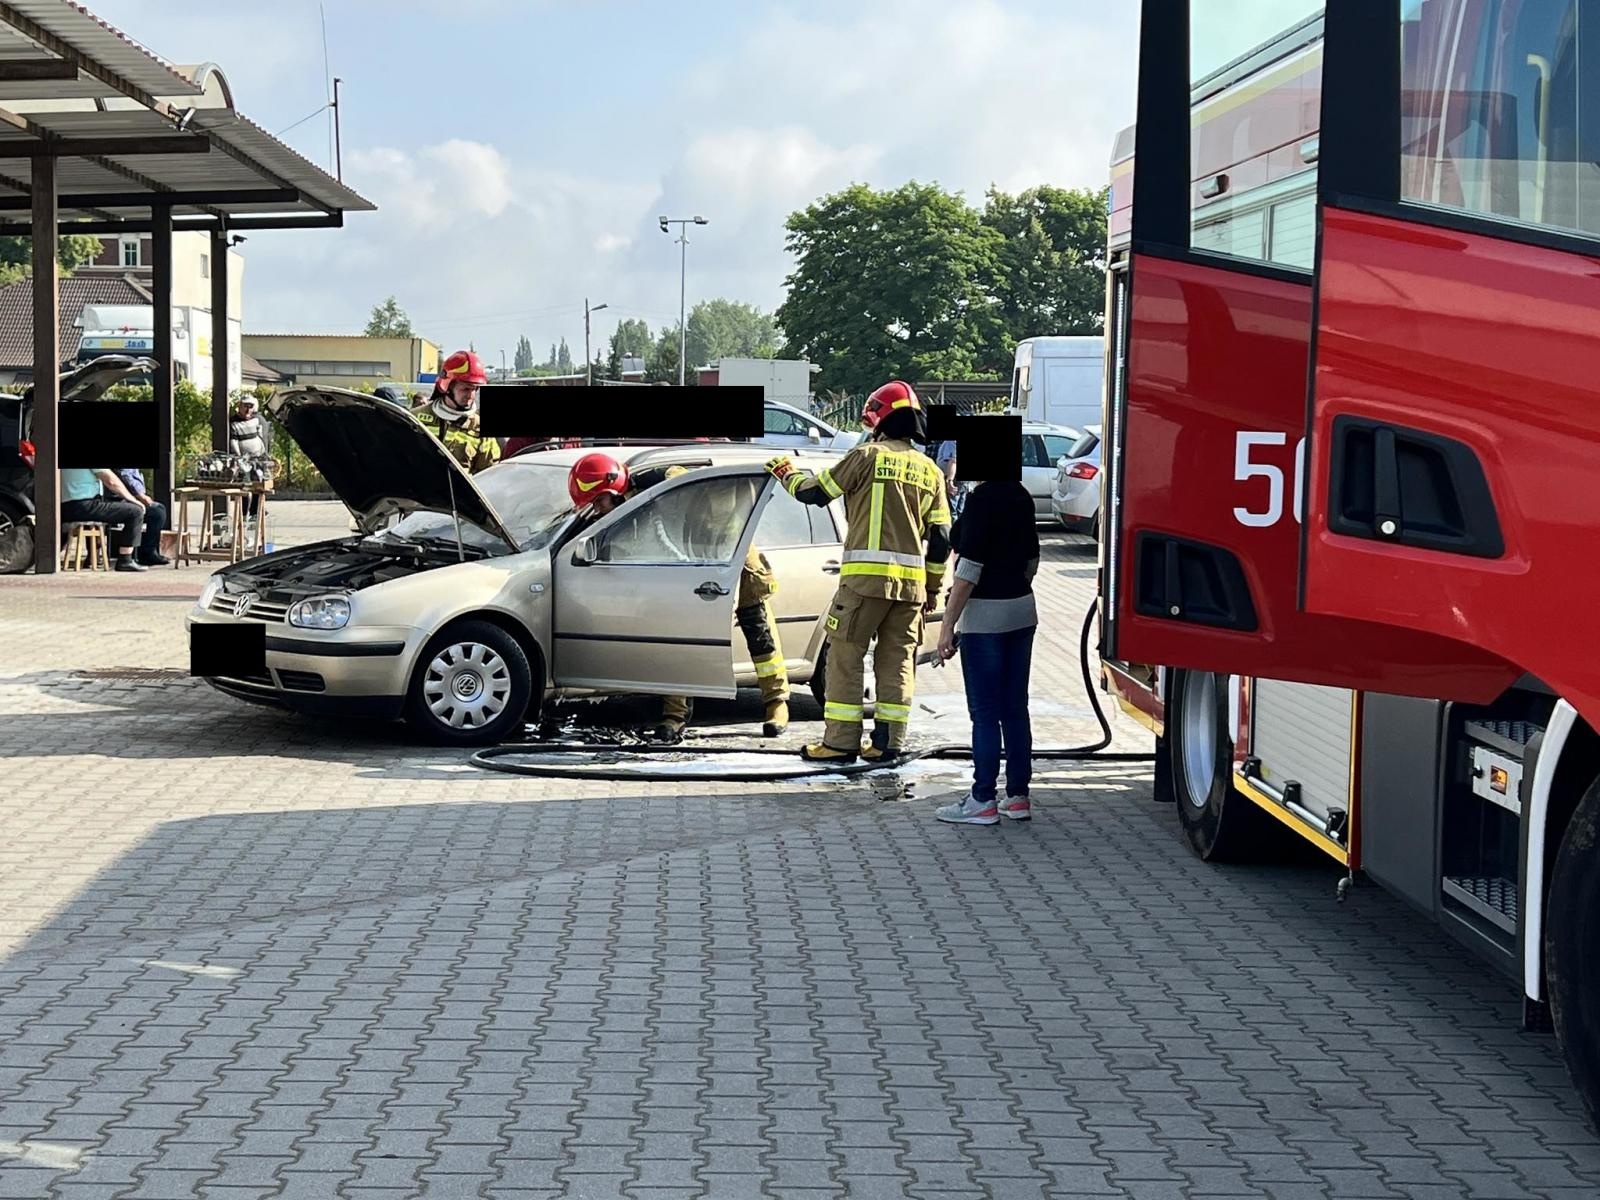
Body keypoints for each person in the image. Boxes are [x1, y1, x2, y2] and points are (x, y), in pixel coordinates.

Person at [766, 380, 952, 764]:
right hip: (911, 590)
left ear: (879, 420)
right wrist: (933, 589)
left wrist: (786, 473)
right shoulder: (930, 470)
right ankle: (888, 744)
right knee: (897, 663)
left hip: (864, 585)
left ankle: (840, 743)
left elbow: (814, 493)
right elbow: (941, 540)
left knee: (845, 657)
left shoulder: (866, 456)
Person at [566, 451, 790, 741]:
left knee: (759, 633)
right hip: (687, 572)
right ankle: (674, 716)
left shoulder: (661, 483)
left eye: (599, 502)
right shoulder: (625, 510)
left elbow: (700, 496)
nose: (597, 511)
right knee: (679, 642)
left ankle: (777, 703)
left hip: (731, 559)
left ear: (614, 488)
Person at [933, 474, 1041, 824]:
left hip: (984, 619)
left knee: (984, 713)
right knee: (1015, 707)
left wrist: (947, 626)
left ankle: (982, 799)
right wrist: (1012, 587)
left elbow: (968, 571)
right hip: (1022, 612)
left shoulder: (981, 500)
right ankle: (1018, 796)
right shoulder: (1022, 496)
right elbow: (1032, 560)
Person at [412, 350, 501, 474]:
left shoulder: (480, 429)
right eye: (465, 389)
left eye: (474, 389)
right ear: (447, 386)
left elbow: (488, 475)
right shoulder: (415, 418)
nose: (471, 395)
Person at [59, 467, 150, 572]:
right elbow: (111, 481)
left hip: (65, 507)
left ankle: (91, 558)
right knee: (135, 511)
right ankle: (125, 559)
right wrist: (133, 500)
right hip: (85, 506)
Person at [115, 466, 170, 566]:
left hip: (129, 497)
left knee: (158, 510)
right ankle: (147, 552)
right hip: (122, 498)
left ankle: (148, 551)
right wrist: (141, 496)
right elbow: (125, 476)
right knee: (157, 512)